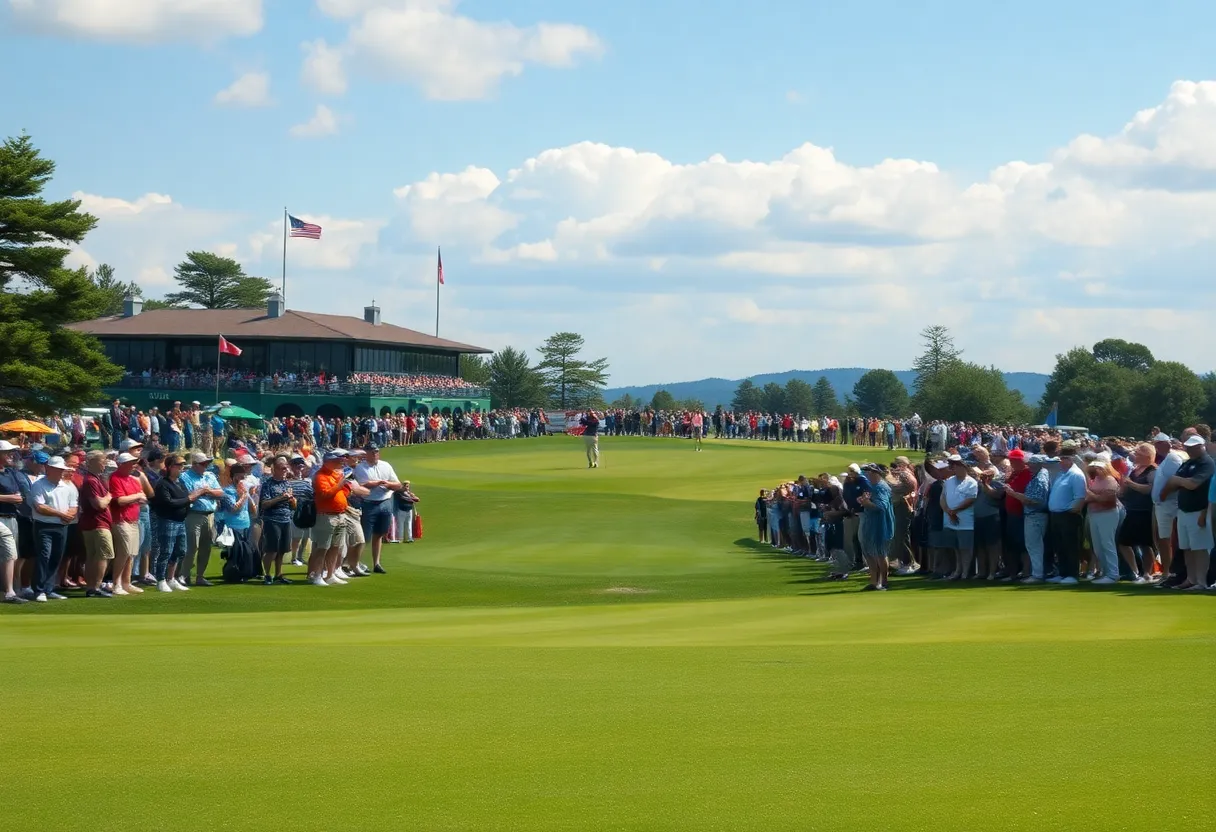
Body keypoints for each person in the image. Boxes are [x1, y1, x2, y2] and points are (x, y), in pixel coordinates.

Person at [1162, 434, 1214, 590]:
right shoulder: (1188, 463)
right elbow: (1173, 481)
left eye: (1192, 448)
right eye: (1188, 448)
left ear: (1201, 447)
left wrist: (1179, 481)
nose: (1189, 450)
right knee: (1186, 547)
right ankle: (1191, 579)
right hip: (1183, 510)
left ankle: (1201, 581)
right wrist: (1180, 481)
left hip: (1198, 511)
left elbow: (1192, 484)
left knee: (1199, 548)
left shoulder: (1207, 463)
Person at [30, 456, 79, 602]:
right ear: (49, 469)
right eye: (58, 470)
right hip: (43, 525)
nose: (61, 472)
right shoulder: (39, 485)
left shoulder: (67, 486)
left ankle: (49, 589)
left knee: (56, 557)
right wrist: (61, 514)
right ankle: (38, 590)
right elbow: (40, 507)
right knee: (44, 555)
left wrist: (68, 516)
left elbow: (73, 506)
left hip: (62, 526)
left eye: (62, 470)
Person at [354, 444, 403, 574]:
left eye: (376, 452)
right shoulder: (360, 467)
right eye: (372, 452)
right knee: (364, 536)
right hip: (368, 503)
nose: (375, 454)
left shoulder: (385, 465)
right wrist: (375, 483)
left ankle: (377, 563)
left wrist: (388, 484)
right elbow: (360, 485)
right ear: (367, 454)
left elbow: (398, 484)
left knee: (380, 534)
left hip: (385, 502)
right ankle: (355, 564)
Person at [150, 454, 195, 592]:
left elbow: (184, 499)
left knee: (181, 550)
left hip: (180, 521)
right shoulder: (163, 484)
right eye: (178, 465)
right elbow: (168, 502)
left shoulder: (180, 483)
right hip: (168, 521)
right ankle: (161, 580)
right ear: (170, 467)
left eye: (182, 466)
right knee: (166, 551)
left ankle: (171, 578)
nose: (181, 468)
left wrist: (187, 500)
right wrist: (189, 499)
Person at [178, 451, 224, 588]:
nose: (206, 466)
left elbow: (220, 493)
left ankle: (200, 576)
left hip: (210, 514)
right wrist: (205, 491)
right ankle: (184, 576)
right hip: (194, 514)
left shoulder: (210, 476)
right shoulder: (185, 477)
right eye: (203, 464)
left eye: (207, 463)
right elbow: (190, 495)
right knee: (192, 547)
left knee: (206, 547)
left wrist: (207, 491)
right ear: (195, 464)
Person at [1047, 445, 1088, 585]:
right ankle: (1063, 573)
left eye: (1063, 459)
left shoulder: (1076, 475)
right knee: (1060, 546)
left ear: (1070, 460)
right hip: (1057, 515)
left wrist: (1071, 509)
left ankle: (1072, 574)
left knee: (1070, 546)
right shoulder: (1061, 474)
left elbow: (1080, 496)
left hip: (1069, 515)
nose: (1061, 461)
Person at [108, 452, 147, 596]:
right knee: (123, 552)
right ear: (121, 464)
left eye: (133, 463)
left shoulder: (132, 480)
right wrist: (136, 497)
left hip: (133, 520)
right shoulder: (115, 478)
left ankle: (126, 582)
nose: (133, 465)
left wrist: (134, 497)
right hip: (121, 520)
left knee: (131, 554)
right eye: (130, 463)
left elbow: (144, 497)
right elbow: (120, 500)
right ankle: (116, 584)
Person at [1117, 442, 1157, 582]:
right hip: (1131, 510)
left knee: (1146, 544)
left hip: (1144, 511)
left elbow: (1149, 489)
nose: (1135, 456)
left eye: (1139, 454)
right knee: (1123, 541)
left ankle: (1147, 573)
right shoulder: (1135, 470)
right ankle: (1135, 571)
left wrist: (1131, 484)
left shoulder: (1152, 471)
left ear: (1146, 456)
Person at [78, 451, 116, 598]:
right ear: (92, 462)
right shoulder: (91, 481)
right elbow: (99, 504)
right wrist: (108, 496)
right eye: (102, 461)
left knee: (94, 556)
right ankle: (96, 586)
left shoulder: (95, 479)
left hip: (95, 523)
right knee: (104, 554)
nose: (104, 464)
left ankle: (91, 587)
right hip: (97, 523)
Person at [258, 454, 295, 584]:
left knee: (282, 550)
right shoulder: (268, 484)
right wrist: (281, 497)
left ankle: (279, 574)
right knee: (271, 550)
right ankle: (267, 574)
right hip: (272, 519)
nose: (285, 470)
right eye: (282, 468)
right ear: (275, 469)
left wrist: (292, 501)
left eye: (286, 467)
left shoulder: (287, 483)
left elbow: (293, 505)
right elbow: (265, 503)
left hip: (286, 518)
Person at [1083, 459, 1121, 585]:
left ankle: (1113, 574)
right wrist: (1092, 496)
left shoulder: (1110, 480)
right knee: (1098, 546)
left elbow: (1106, 499)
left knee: (1107, 543)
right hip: (1094, 514)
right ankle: (1105, 572)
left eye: (1098, 467)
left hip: (1107, 514)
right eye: (1094, 467)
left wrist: (1091, 495)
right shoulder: (1095, 480)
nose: (1096, 470)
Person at [857, 464, 894, 590]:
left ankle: (883, 582)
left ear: (876, 473)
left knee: (880, 553)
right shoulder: (871, 486)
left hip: (881, 525)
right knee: (869, 552)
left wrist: (867, 503)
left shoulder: (881, 487)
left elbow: (881, 507)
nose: (866, 474)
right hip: (871, 523)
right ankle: (874, 581)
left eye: (869, 471)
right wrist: (864, 501)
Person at [941, 455, 978, 581]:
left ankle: (965, 572)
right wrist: (948, 511)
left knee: (965, 548)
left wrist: (955, 511)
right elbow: (943, 498)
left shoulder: (971, 482)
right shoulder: (949, 481)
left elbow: (971, 499)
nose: (953, 468)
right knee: (956, 548)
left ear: (963, 466)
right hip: (950, 520)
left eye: (955, 466)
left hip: (965, 521)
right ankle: (958, 570)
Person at [0, 440, 27, 603]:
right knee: (9, 553)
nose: (11, 455)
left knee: (11, 555)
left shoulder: (9, 472)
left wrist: (16, 498)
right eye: (7, 452)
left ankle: (10, 590)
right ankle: (9, 592)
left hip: (12, 517)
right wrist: (8, 498)